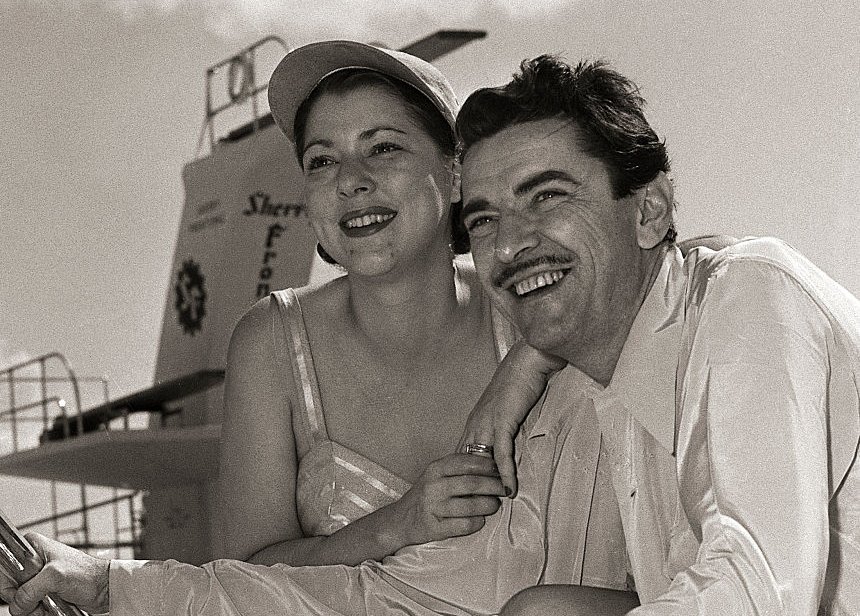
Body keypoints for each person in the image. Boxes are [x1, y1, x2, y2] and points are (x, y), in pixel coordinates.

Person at [454, 56, 860, 614]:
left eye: (547, 196)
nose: (507, 246)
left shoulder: (752, 294)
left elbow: (761, 592)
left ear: (649, 209)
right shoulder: (619, 382)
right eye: (483, 221)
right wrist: (530, 357)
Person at [216, 39, 515, 567]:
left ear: (456, 174)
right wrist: (394, 527)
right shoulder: (271, 342)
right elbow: (243, 576)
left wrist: (531, 361)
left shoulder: (522, 311)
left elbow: (688, 263)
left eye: (383, 148)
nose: (351, 181)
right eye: (322, 160)